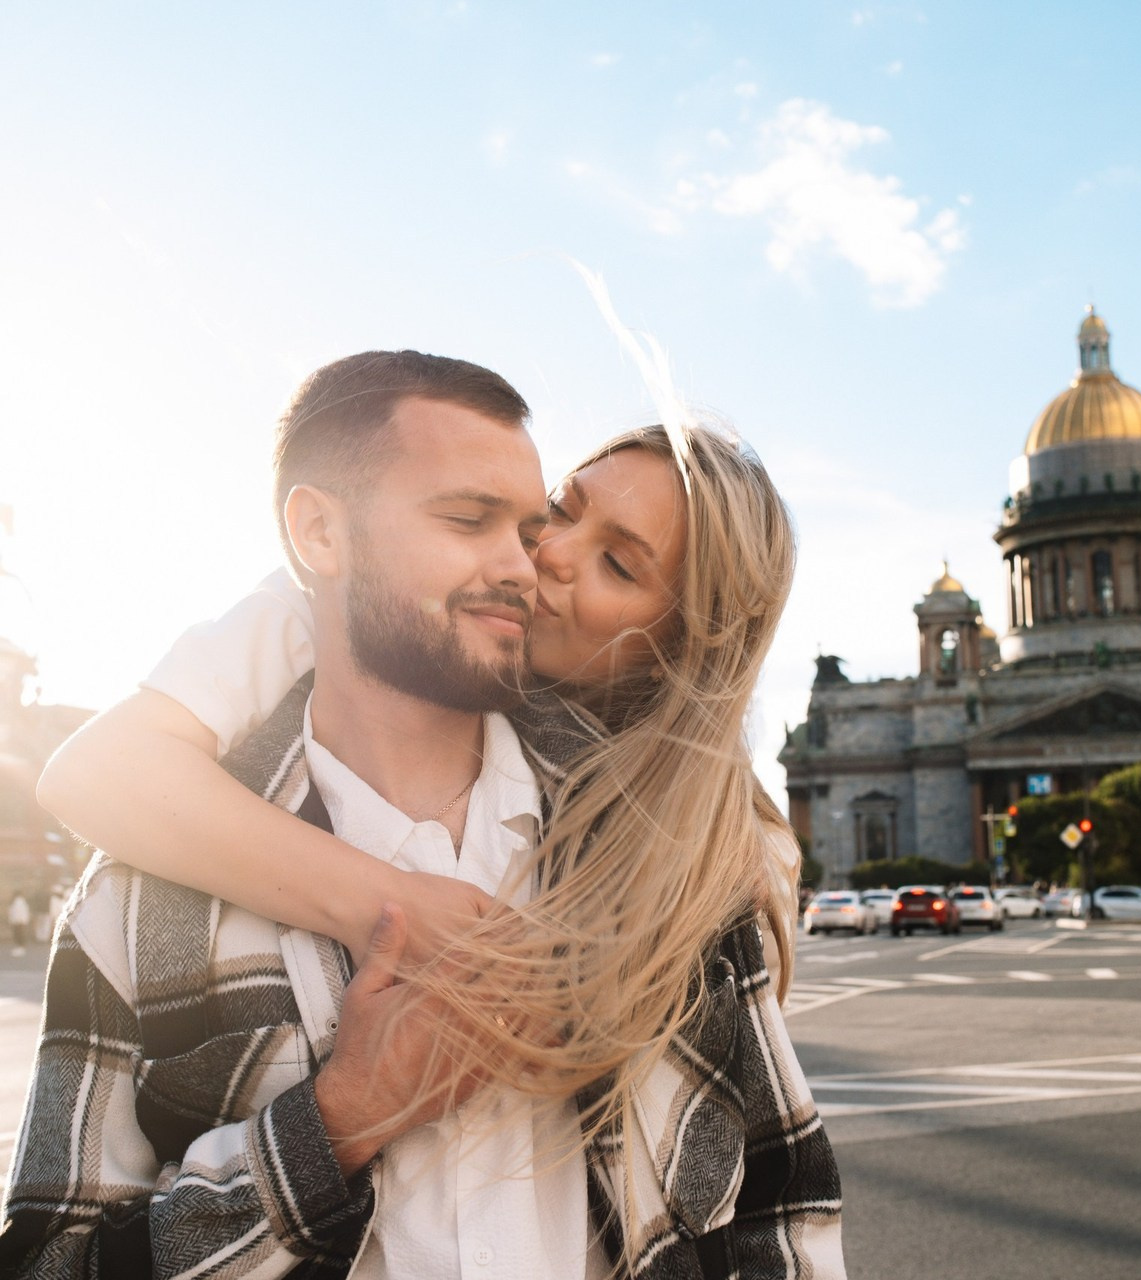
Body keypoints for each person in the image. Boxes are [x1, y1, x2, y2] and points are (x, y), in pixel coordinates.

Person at [8, 353, 844, 1278]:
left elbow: (782, 1214)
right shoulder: (152, 877)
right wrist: (338, 1118)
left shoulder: (683, 869)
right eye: (550, 514)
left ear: (667, 651)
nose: (539, 558)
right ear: (319, 535)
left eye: (613, 562)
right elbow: (98, 772)